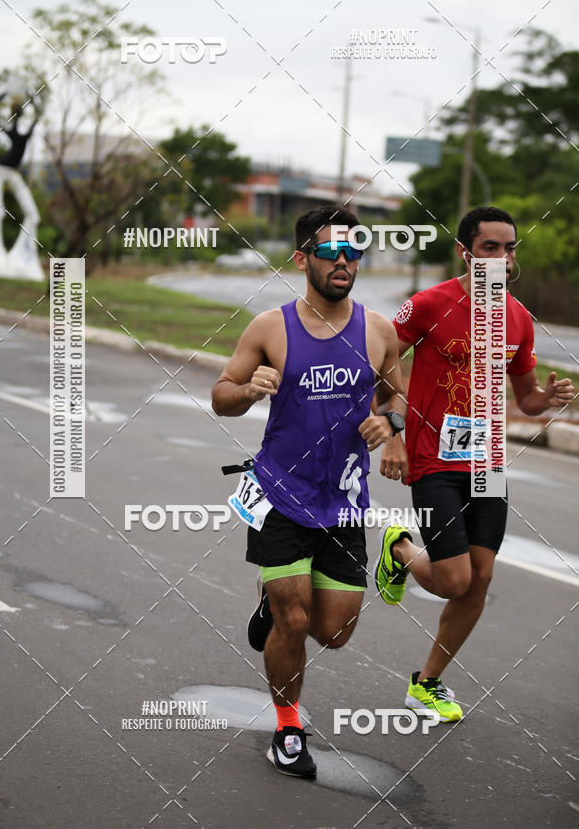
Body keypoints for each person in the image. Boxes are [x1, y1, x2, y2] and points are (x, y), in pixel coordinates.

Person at [212, 205, 407, 778]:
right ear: (302, 259)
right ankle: (289, 726)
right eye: (331, 251)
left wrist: (391, 424)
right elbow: (221, 393)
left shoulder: (378, 330)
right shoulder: (271, 327)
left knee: (334, 632)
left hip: (344, 501)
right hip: (279, 493)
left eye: (353, 251)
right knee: (293, 622)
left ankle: (268, 602)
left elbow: (399, 396)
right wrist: (249, 389)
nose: (344, 261)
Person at [374, 205, 576, 722]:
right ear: (465, 251)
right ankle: (399, 550)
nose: (504, 258)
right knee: (453, 580)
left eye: (510, 248)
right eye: (491, 247)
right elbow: (382, 361)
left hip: (487, 463)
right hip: (433, 456)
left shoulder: (519, 318)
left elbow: (525, 399)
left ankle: (428, 681)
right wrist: (394, 429)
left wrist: (548, 399)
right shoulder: (429, 304)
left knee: (480, 578)